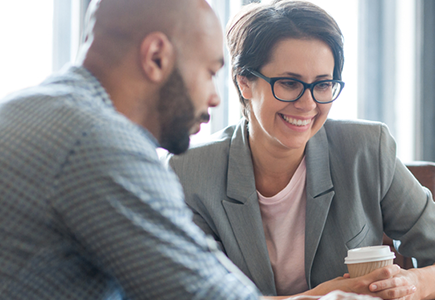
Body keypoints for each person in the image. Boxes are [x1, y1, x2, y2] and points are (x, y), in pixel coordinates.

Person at [167, 1, 435, 299]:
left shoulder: (365, 151)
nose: (308, 104)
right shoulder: (190, 172)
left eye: (322, 84)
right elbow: (195, 292)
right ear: (244, 83)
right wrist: (320, 296)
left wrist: (411, 283)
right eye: (289, 83)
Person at [1, 0, 268, 299]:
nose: (215, 98)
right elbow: (204, 292)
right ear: (156, 57)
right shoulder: (99, 142)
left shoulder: (25, 108)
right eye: (210, 72)